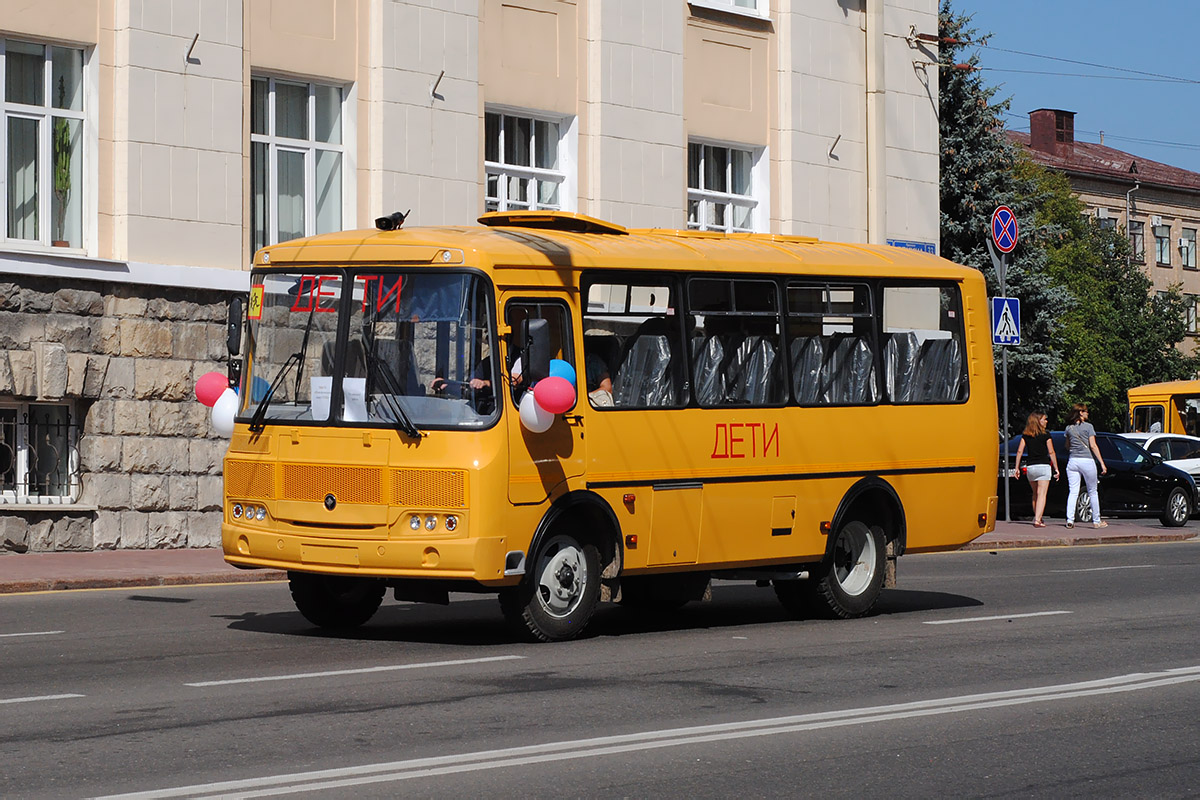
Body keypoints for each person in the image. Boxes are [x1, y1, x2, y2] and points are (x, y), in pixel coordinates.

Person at [1064, 403, 1108, 529]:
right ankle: (1096, 520)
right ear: (1081, 413)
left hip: (1072, 461)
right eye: (1086, 411)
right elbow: (1093, 446)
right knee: (1092, 491)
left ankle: (1070, 519)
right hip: (1087, 460)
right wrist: (1102, 463)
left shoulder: (1068, 428)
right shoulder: (1089, 427)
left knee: (1073, 491)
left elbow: (1067, 446)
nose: (1088, 413)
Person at [1013, 410, 1059, 527]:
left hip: (1031, 467)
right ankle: (1037, 520)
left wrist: (1017, 467)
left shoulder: (1026, 435)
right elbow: (1051, 451)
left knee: (1035, 494)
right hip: (1043, 466)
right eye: (1044, 419)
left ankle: (1038, 516)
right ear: (1038, 421)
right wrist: (1056, 468)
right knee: (1042, 494)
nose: (1046, 421)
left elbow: (1019, 451)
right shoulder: (1046, 435)